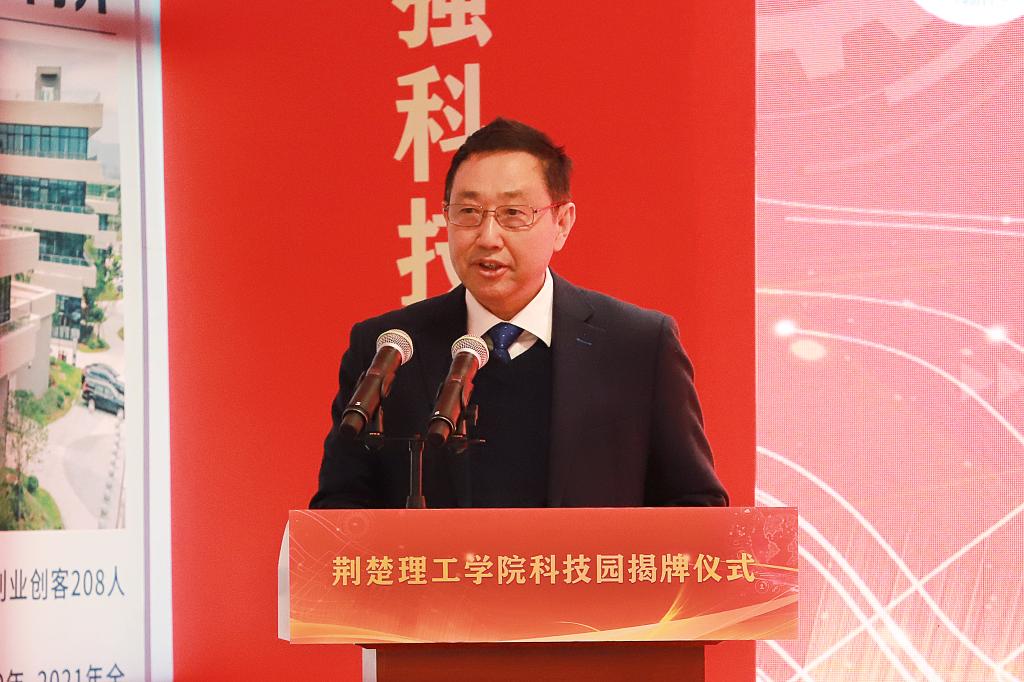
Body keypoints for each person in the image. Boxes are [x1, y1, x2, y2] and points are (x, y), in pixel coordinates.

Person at [310, 118, 727, 509]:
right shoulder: (389, 350)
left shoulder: (638, 346)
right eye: (469, 212)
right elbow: (338, 512)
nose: (488, 237)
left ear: (562, 223)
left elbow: (696, 505)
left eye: (513, 214)